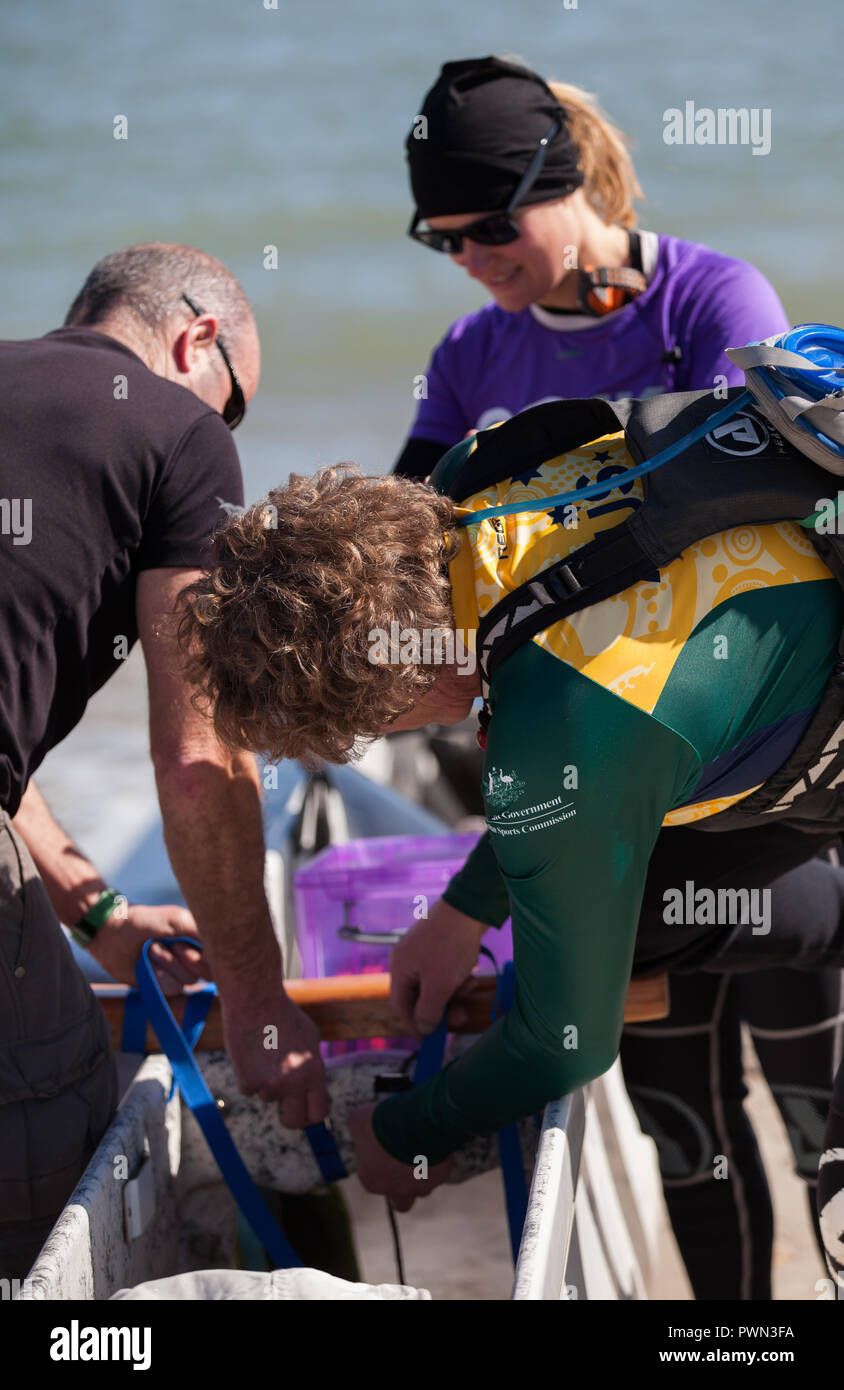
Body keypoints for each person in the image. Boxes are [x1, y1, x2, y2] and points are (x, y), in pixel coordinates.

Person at [176, 359, 844, 1287]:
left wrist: (410, 1130)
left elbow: (569, 1039)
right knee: (634, 921)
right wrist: (463, 909)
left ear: (397, 683)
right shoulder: (473, 479)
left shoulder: (567, 716)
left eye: (371, 724)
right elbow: (583, 752)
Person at [391, 55, 833, 1300]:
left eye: (492, 225)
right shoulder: (471, 353)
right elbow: (395, 545)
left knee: (816, 1123)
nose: (473, 255)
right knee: (685, 1144)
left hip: (753, 777)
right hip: (602, 788)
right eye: (442, 237)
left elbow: (767, 527)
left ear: (570, 178)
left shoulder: (708, 299)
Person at [0, 244, 328, 1280]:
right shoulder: (177, 432)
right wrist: (259, 1000)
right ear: (197, 339)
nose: (224, 432)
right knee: (61, 1151)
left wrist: (96, 912)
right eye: (233, 406)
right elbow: (197, 752)